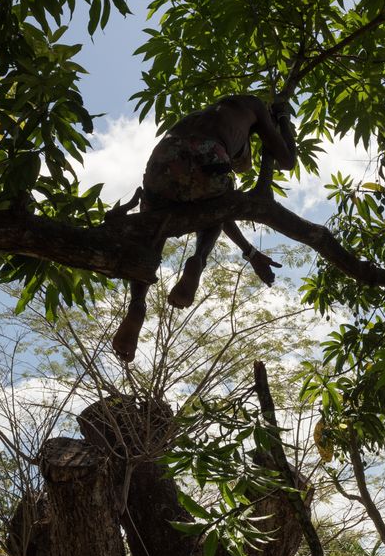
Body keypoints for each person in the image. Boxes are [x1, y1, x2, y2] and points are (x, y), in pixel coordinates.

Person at [111, 94, 297, 362]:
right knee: (216, 207)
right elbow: (286, 161)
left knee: (152, 232)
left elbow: (219, 214)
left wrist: (251, 252)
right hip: (208, 153)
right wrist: (282, 117)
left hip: (163, 157)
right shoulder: (253, 107)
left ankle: (137, 303)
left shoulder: (205, 115)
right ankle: (198, 260)